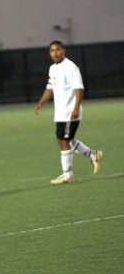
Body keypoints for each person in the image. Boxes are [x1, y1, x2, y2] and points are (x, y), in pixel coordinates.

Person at [34, 40, 103, 185]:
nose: (55, 52)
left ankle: (68, 174)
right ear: (50, 53)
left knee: (64, 140)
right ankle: (93, 155)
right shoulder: (52, 68)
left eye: (58, 49)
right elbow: (50, 88)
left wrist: (76, 108)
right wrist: (41, 102)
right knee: (64, 139)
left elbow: (79, 88)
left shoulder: (71, 67)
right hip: (60, 113)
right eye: (52, 50)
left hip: (69, 112)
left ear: (63, 50)